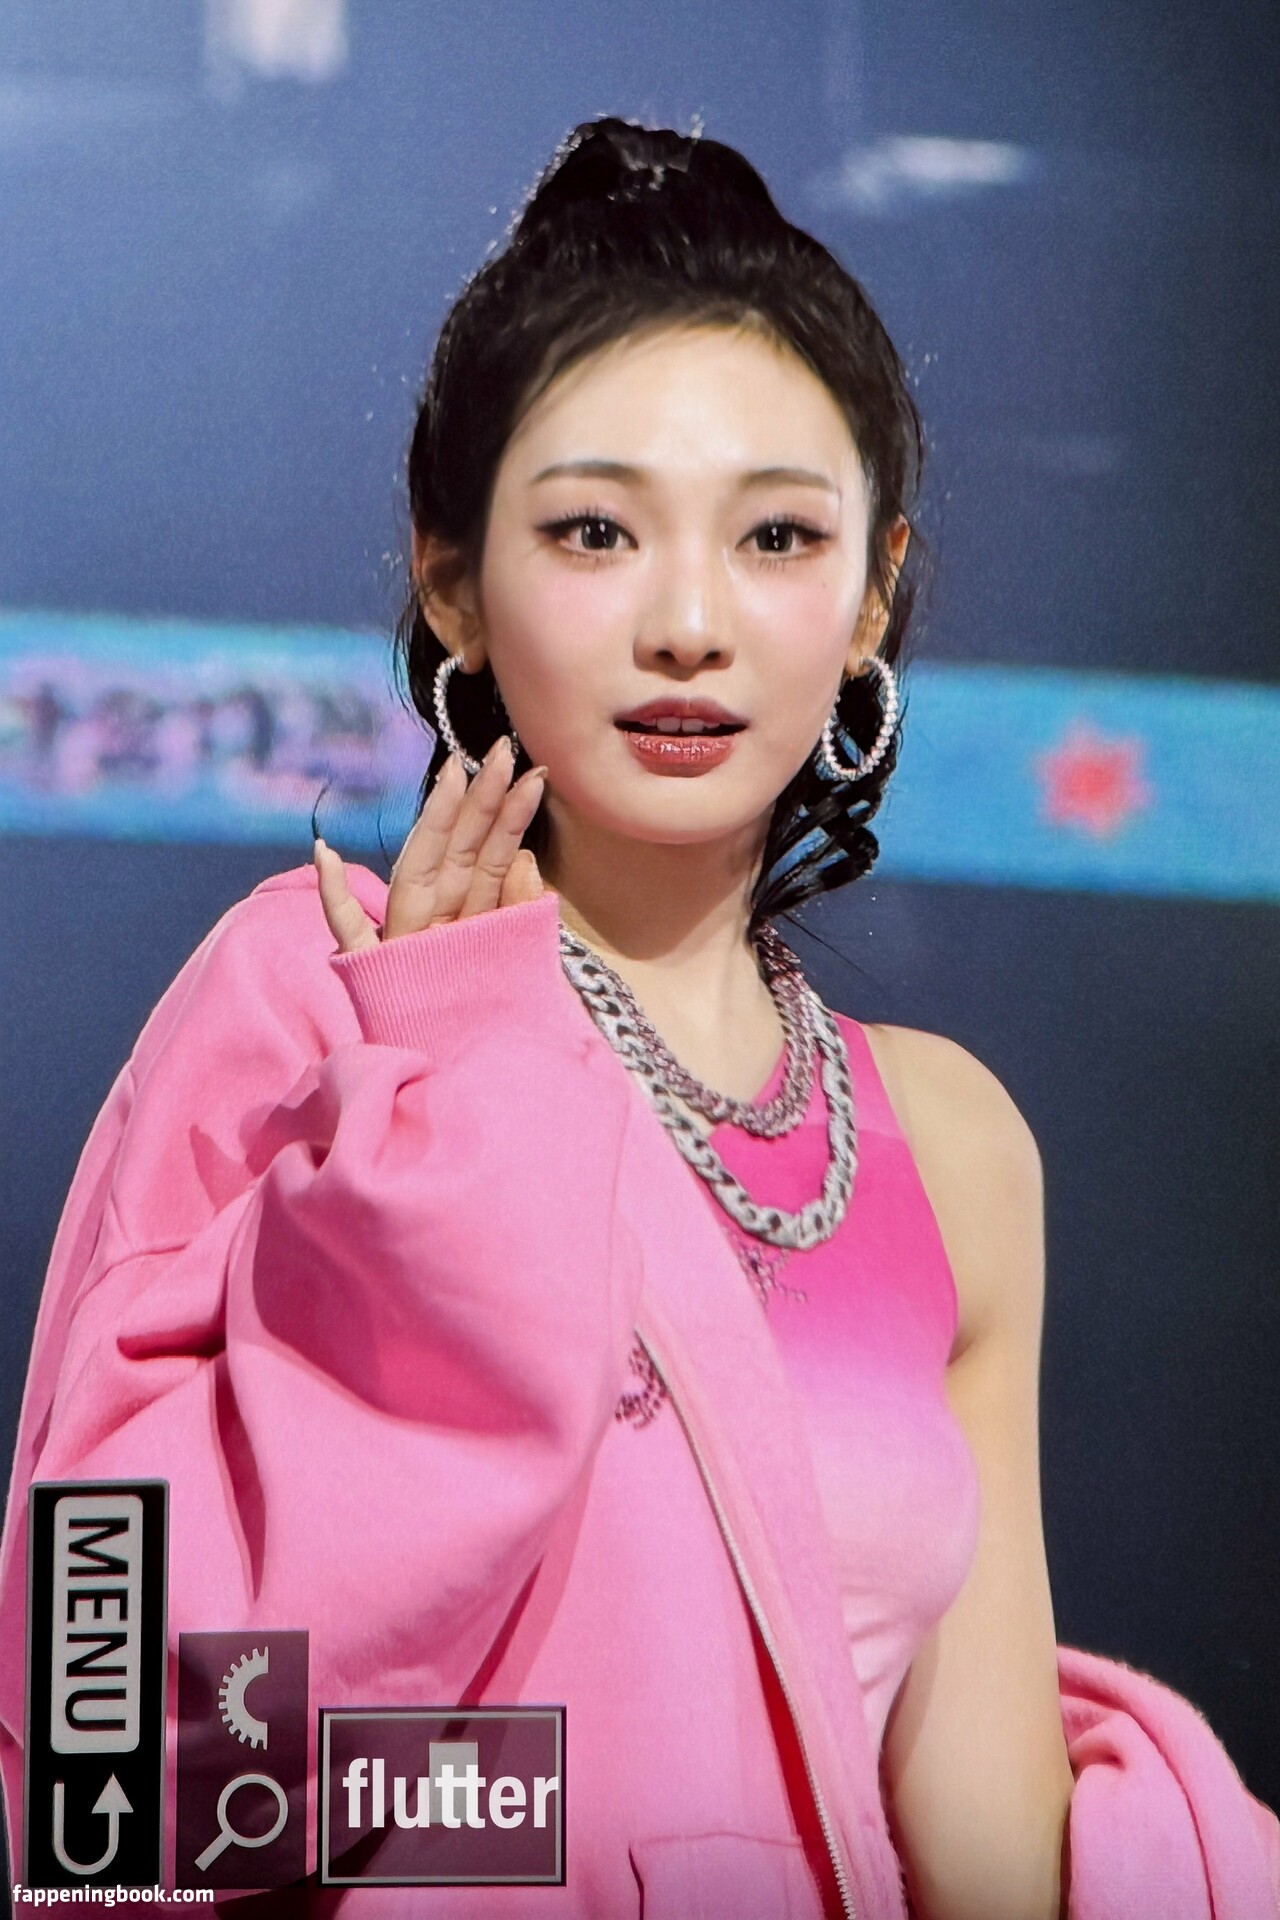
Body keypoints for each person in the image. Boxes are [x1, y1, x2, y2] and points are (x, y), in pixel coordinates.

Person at [0, 115, 1276, 1920]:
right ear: (453, 579)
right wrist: (452, 1124)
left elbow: (986, 1855)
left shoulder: (954, 1144)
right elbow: (110, 1768)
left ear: (873, 596)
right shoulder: (308, 1004)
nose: (689, 621)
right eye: (595, 529)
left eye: (778, 535)